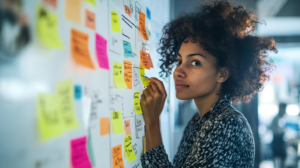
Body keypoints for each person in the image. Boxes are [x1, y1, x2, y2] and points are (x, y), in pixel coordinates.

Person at [140, 0, 277, 167]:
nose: (178, 71)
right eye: (179, 61)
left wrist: (152, 120)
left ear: (222, 73)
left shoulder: (226, 123)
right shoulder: (198, 120)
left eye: (195, 62)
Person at [271, 103, 287, 168]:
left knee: (283, 157)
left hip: (280, 141)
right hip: (277, 141)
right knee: (277, 158)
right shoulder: (276, 118)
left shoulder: (282, 118)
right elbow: (273, 129)